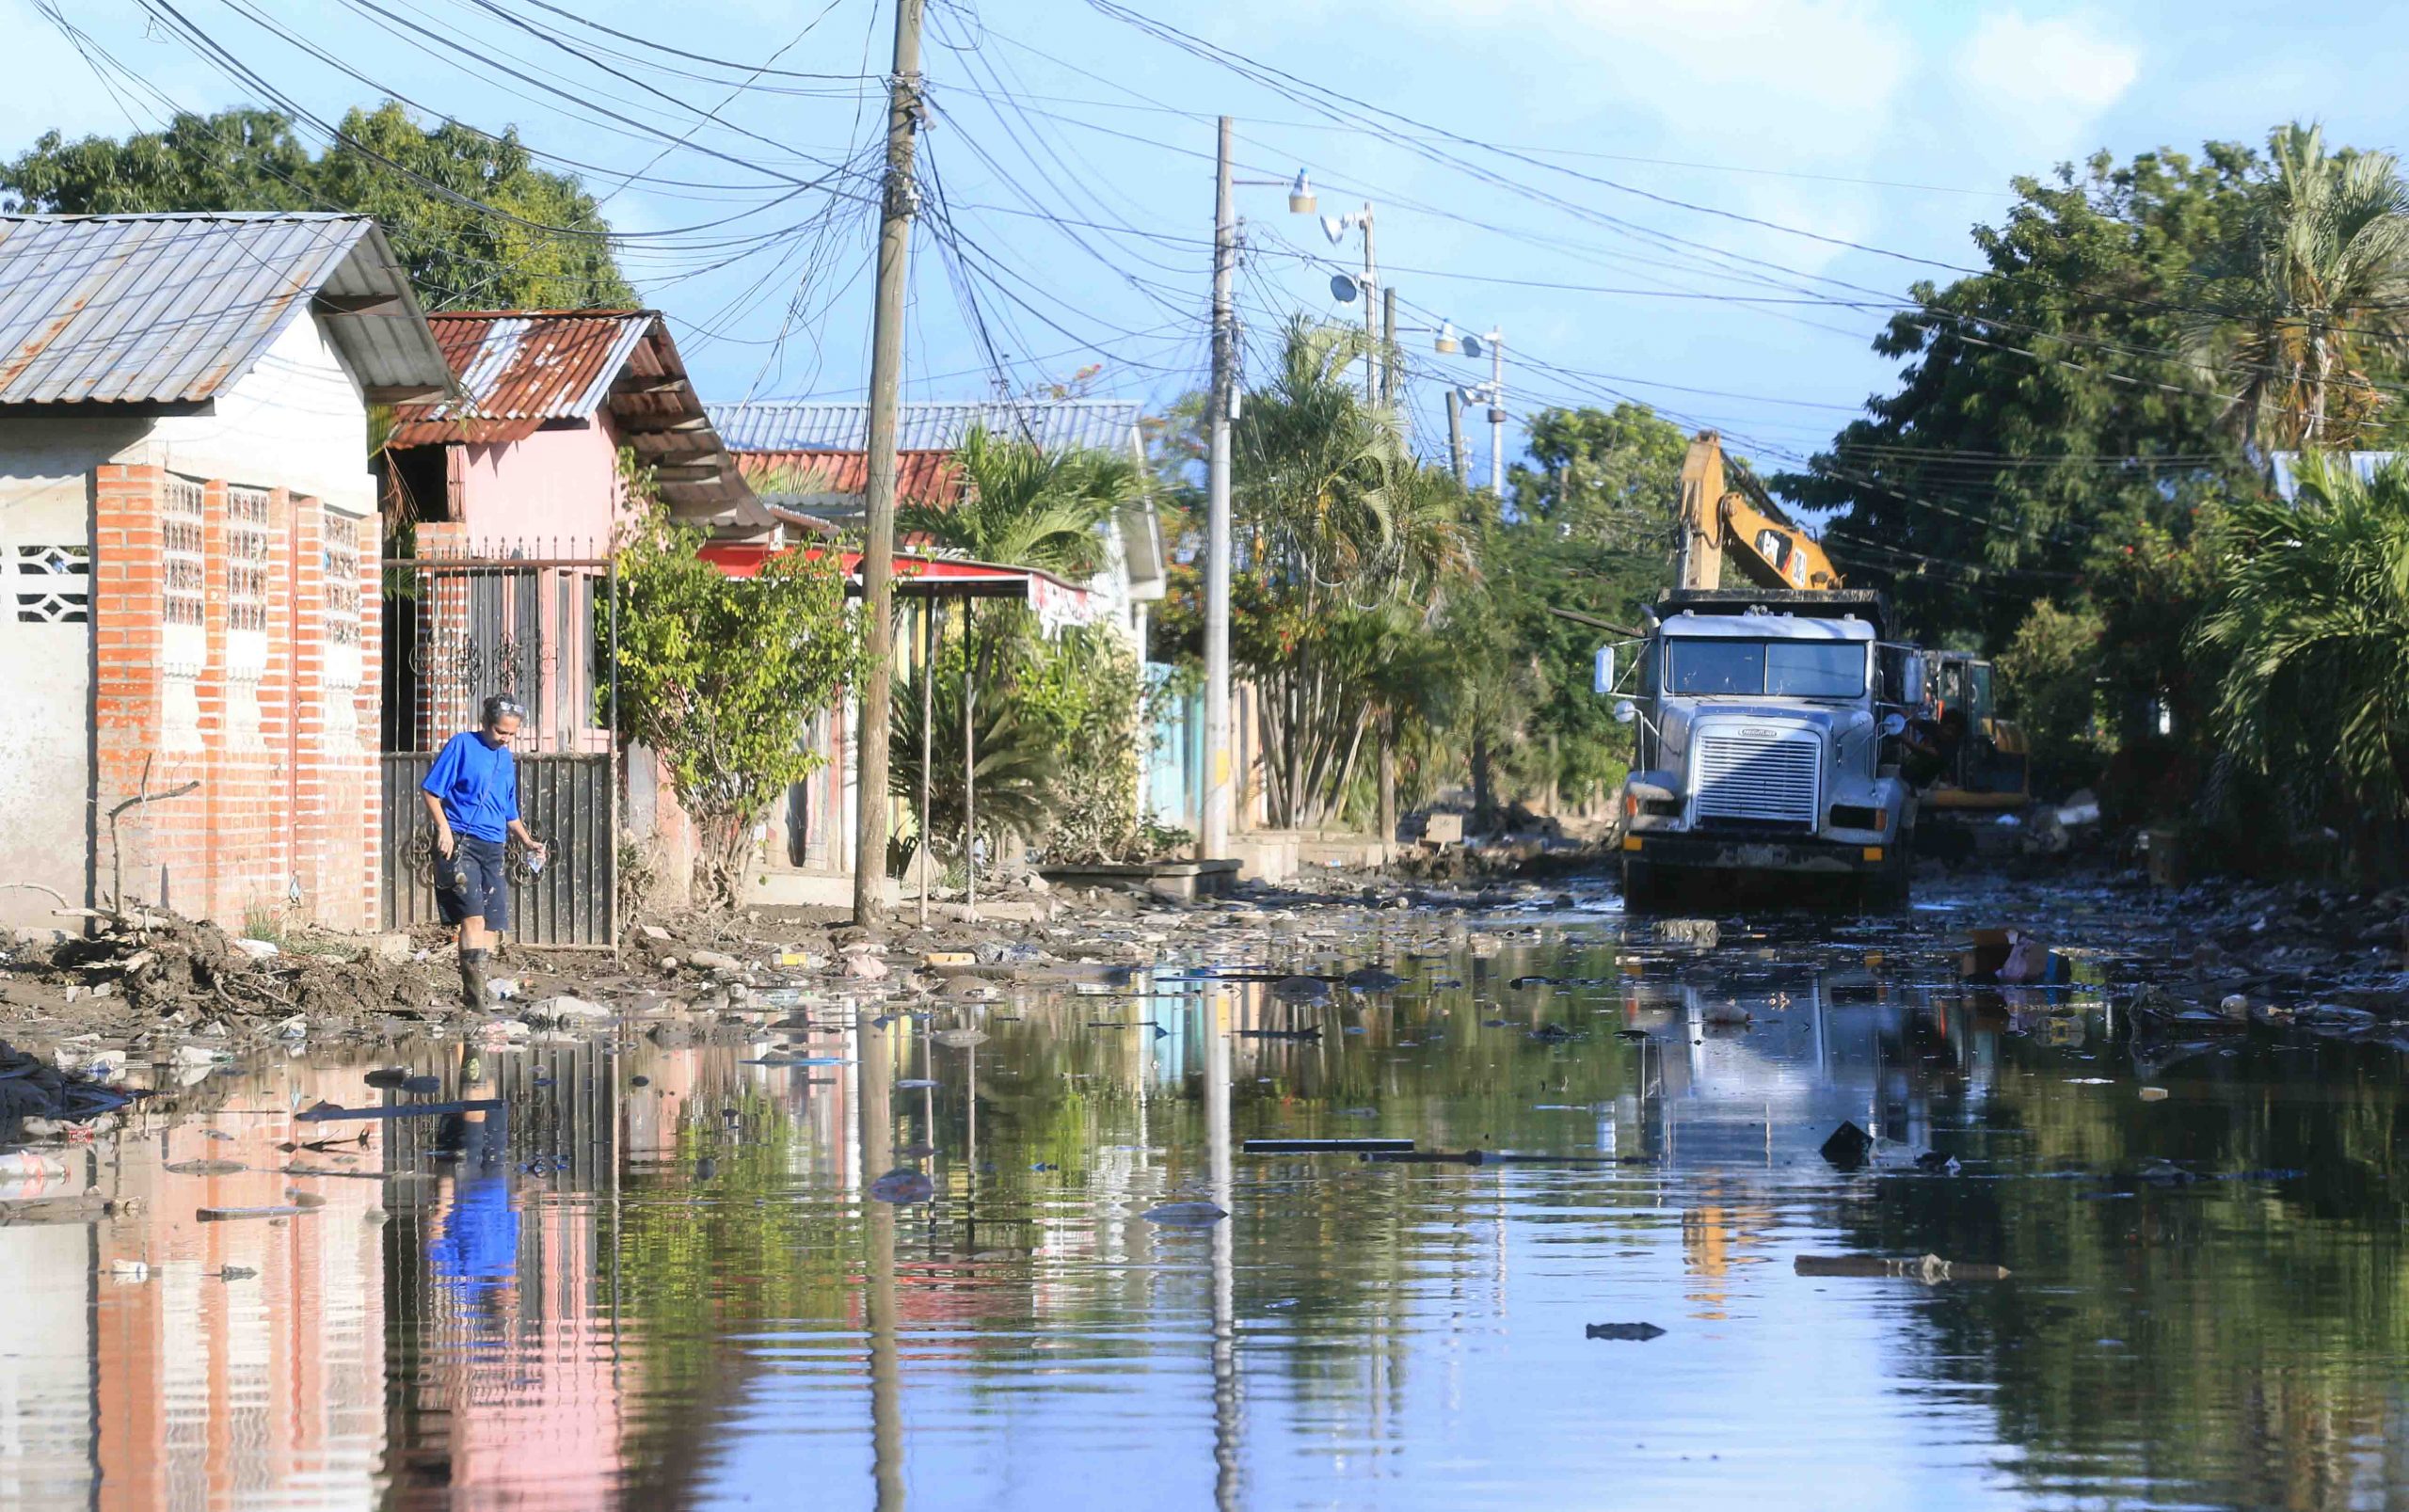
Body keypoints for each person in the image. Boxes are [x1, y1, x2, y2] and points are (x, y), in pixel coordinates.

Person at [422, 694, 546, 1007]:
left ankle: (480, 989)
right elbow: (431, 791)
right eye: (499, 731)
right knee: (473, 919)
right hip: (463, 843)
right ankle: (475, 1000)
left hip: (494, 845)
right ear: (485, 724)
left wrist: (528, 840)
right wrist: (444, 829)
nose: (504, 739)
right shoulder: (462, 745)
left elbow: (509, 811)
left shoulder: (505, 759)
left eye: (510, 734)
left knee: (492, 925)